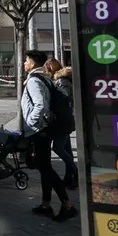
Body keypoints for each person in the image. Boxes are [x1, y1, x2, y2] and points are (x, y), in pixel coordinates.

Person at [21, 50, 77, 222]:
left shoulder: (33, 81)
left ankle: (67, 205)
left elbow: (40, 105)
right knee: (44, 168)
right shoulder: (44, 78)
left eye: (26, 60)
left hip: (39, 130)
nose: (24, 64)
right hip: (45, 129)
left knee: (45, 168)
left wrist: (31, 122)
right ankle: (46, 204)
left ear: (33, 63)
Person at [44, 58, 78, 189]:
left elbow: (64, 99)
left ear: (50, 68)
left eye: (46, 67)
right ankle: (69, 178)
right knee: (67, 149)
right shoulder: (59, 80)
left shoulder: (61, 81)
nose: (45, 70)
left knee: (57, 148)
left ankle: (76, 173)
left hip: (63, 119)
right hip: (64, 118)